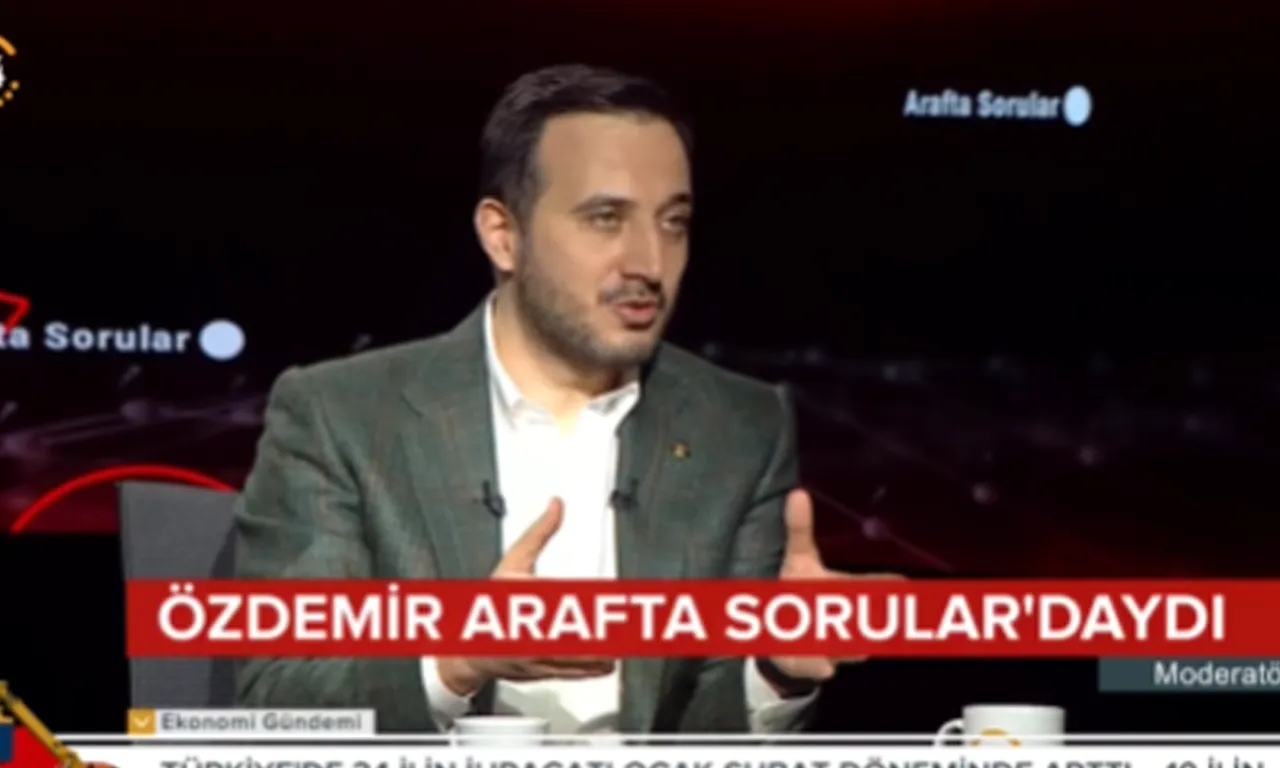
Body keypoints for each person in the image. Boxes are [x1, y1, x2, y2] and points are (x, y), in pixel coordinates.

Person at [234, 63, 876, 734]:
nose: (648, 263)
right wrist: (457, 660)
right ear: (503, 236)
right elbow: (277, 696)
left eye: (673, 223)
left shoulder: (742, 428)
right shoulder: (341, 417)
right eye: (605, 219)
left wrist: (773, 669)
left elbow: (710, 729)